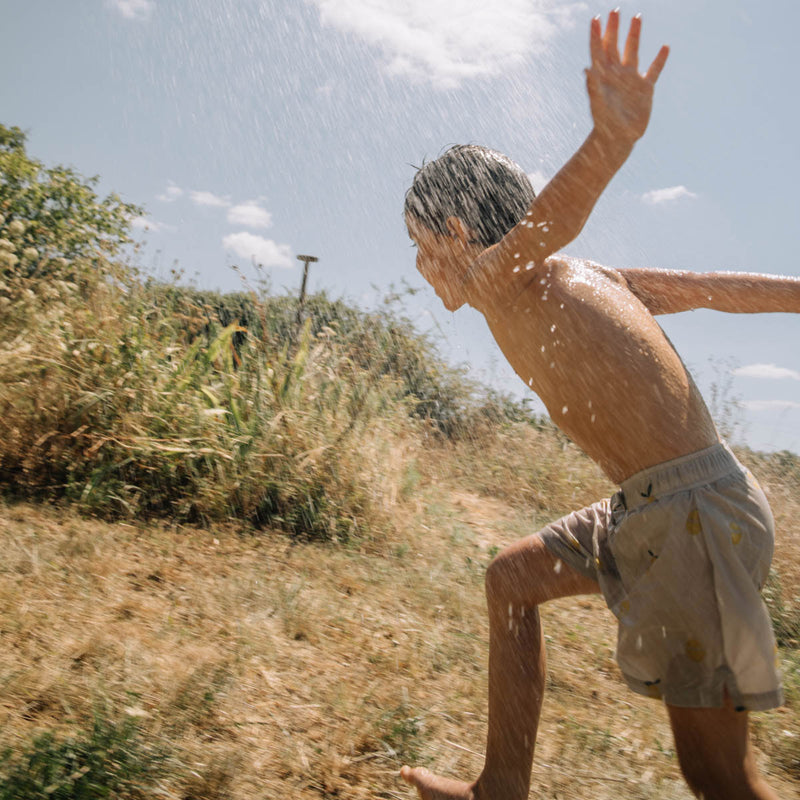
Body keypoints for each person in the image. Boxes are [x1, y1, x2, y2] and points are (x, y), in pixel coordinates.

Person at [401, 10, 800, 800]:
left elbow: (556, 214)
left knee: (719, 776)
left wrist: (612, 140)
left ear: (456, 231)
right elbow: (719, 291)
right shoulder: (589, 276)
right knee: (511, 581)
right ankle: (500, 787)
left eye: (419, 243)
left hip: (694, 515)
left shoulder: (494, 275)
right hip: (657, 506)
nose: (418, 264)